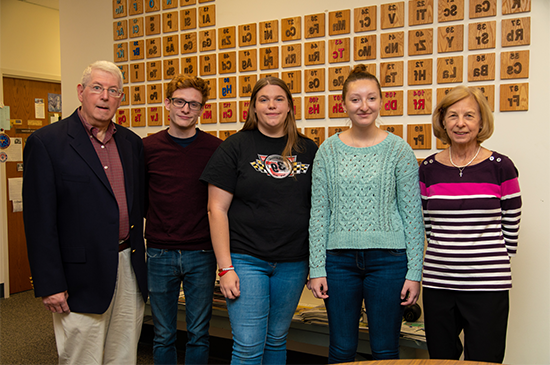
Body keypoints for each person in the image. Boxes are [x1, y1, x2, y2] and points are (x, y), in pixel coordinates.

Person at [23, 60, 147, 364]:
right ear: (81, 92)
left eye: (113, 90)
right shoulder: (47, 143)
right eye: (97, 88)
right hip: (79, 275)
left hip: (128, 266)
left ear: (121, 97)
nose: (105, 96)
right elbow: (40, 222)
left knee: (124, 354)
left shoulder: (131, 143)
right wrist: (50, 284)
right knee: (82, 357)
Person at [307, 64, 425, 363]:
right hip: (338, 262)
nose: (364, 106)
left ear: (381, 102)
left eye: (371, 98)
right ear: (343, 104)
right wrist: (317, 267)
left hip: (389, 261)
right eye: (356, 99)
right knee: (341, 348)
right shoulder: (327, 151)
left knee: (385, 349)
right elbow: (319, 213)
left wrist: (414, 273)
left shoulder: (399, 150)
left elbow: (412, 214)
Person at [200, 76, 318, 364]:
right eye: (263, 100)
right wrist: (225, 267)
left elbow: (318, 210)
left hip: (293, 262)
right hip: (246, 260)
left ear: (289, 106)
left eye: (278, 99)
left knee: (276, 341)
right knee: (248, 346)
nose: (271, 105)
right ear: (253, 107)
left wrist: (315, 265)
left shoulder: (308, 149)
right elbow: (216, 209)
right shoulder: (235, 147)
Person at [419, 86, 522, 363]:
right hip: (439, 283)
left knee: (485, 359)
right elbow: (427, 223)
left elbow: (512, 219)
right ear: (442, 121)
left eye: (469, 115)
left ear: (481, 122)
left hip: (488, 283)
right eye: (452, 115)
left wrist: (493, 260)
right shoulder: (428, 168)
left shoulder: (501, 166)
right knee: (442, 358)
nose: (460, 123)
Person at [143, 74, 222, 365]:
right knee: (163, 333)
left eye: (194, 104)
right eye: (180, 101)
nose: (186, 109)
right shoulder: (147, 148)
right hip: (160, 252)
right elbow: (141, 198)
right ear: (167, 103)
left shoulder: (215, 149)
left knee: (199, 333)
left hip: (201, 252)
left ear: (202, 109)